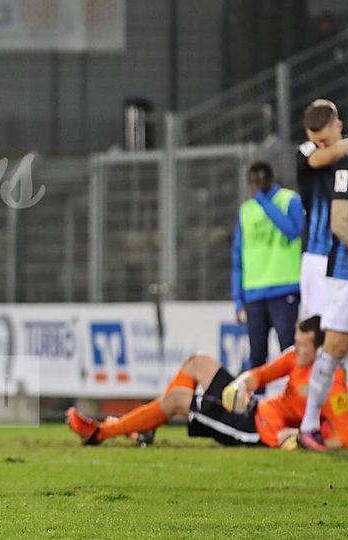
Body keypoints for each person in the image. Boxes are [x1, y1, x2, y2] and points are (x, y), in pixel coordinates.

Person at [67, 317, 348, 449]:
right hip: (253, 408)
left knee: (177, 399)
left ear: (321, 349)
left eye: (303, 345)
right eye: (296, 343)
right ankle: (146, 427)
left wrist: (303, 440)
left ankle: (100, 433)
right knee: (197, 362)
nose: (296, 349)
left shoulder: (333, 384)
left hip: (256, 431)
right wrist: (241, 385)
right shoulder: (295, 358)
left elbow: (343, 437)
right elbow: (260, 375)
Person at [298, 102, 348, 450]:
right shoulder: (310, 153)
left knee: (336, 344)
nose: (319, 143)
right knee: (320, 341)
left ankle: (322, 421)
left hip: (333, 258)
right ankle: (305, 418)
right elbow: (320, 158)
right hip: (325, 261)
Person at [231, 162, 303, 378]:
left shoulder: (289, 200)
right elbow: (237, 255)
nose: (257, 187)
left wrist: (265, 202)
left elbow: (293, 230)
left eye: (260, 182)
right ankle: (254, 398)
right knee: (256, 354)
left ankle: (295, 393)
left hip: (284, 287)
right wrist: (238, 298)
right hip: (254, 291)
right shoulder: (246, 210)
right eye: (253, 183)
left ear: (271, 180)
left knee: (289, 349)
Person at [296, 100, 347, 319]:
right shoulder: (306, 151)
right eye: (315, 140)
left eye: (324, 140)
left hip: (342, 253)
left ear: (338, 126)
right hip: (317, 256)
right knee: (315, 326)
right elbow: (321, 158)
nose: (321, 146)